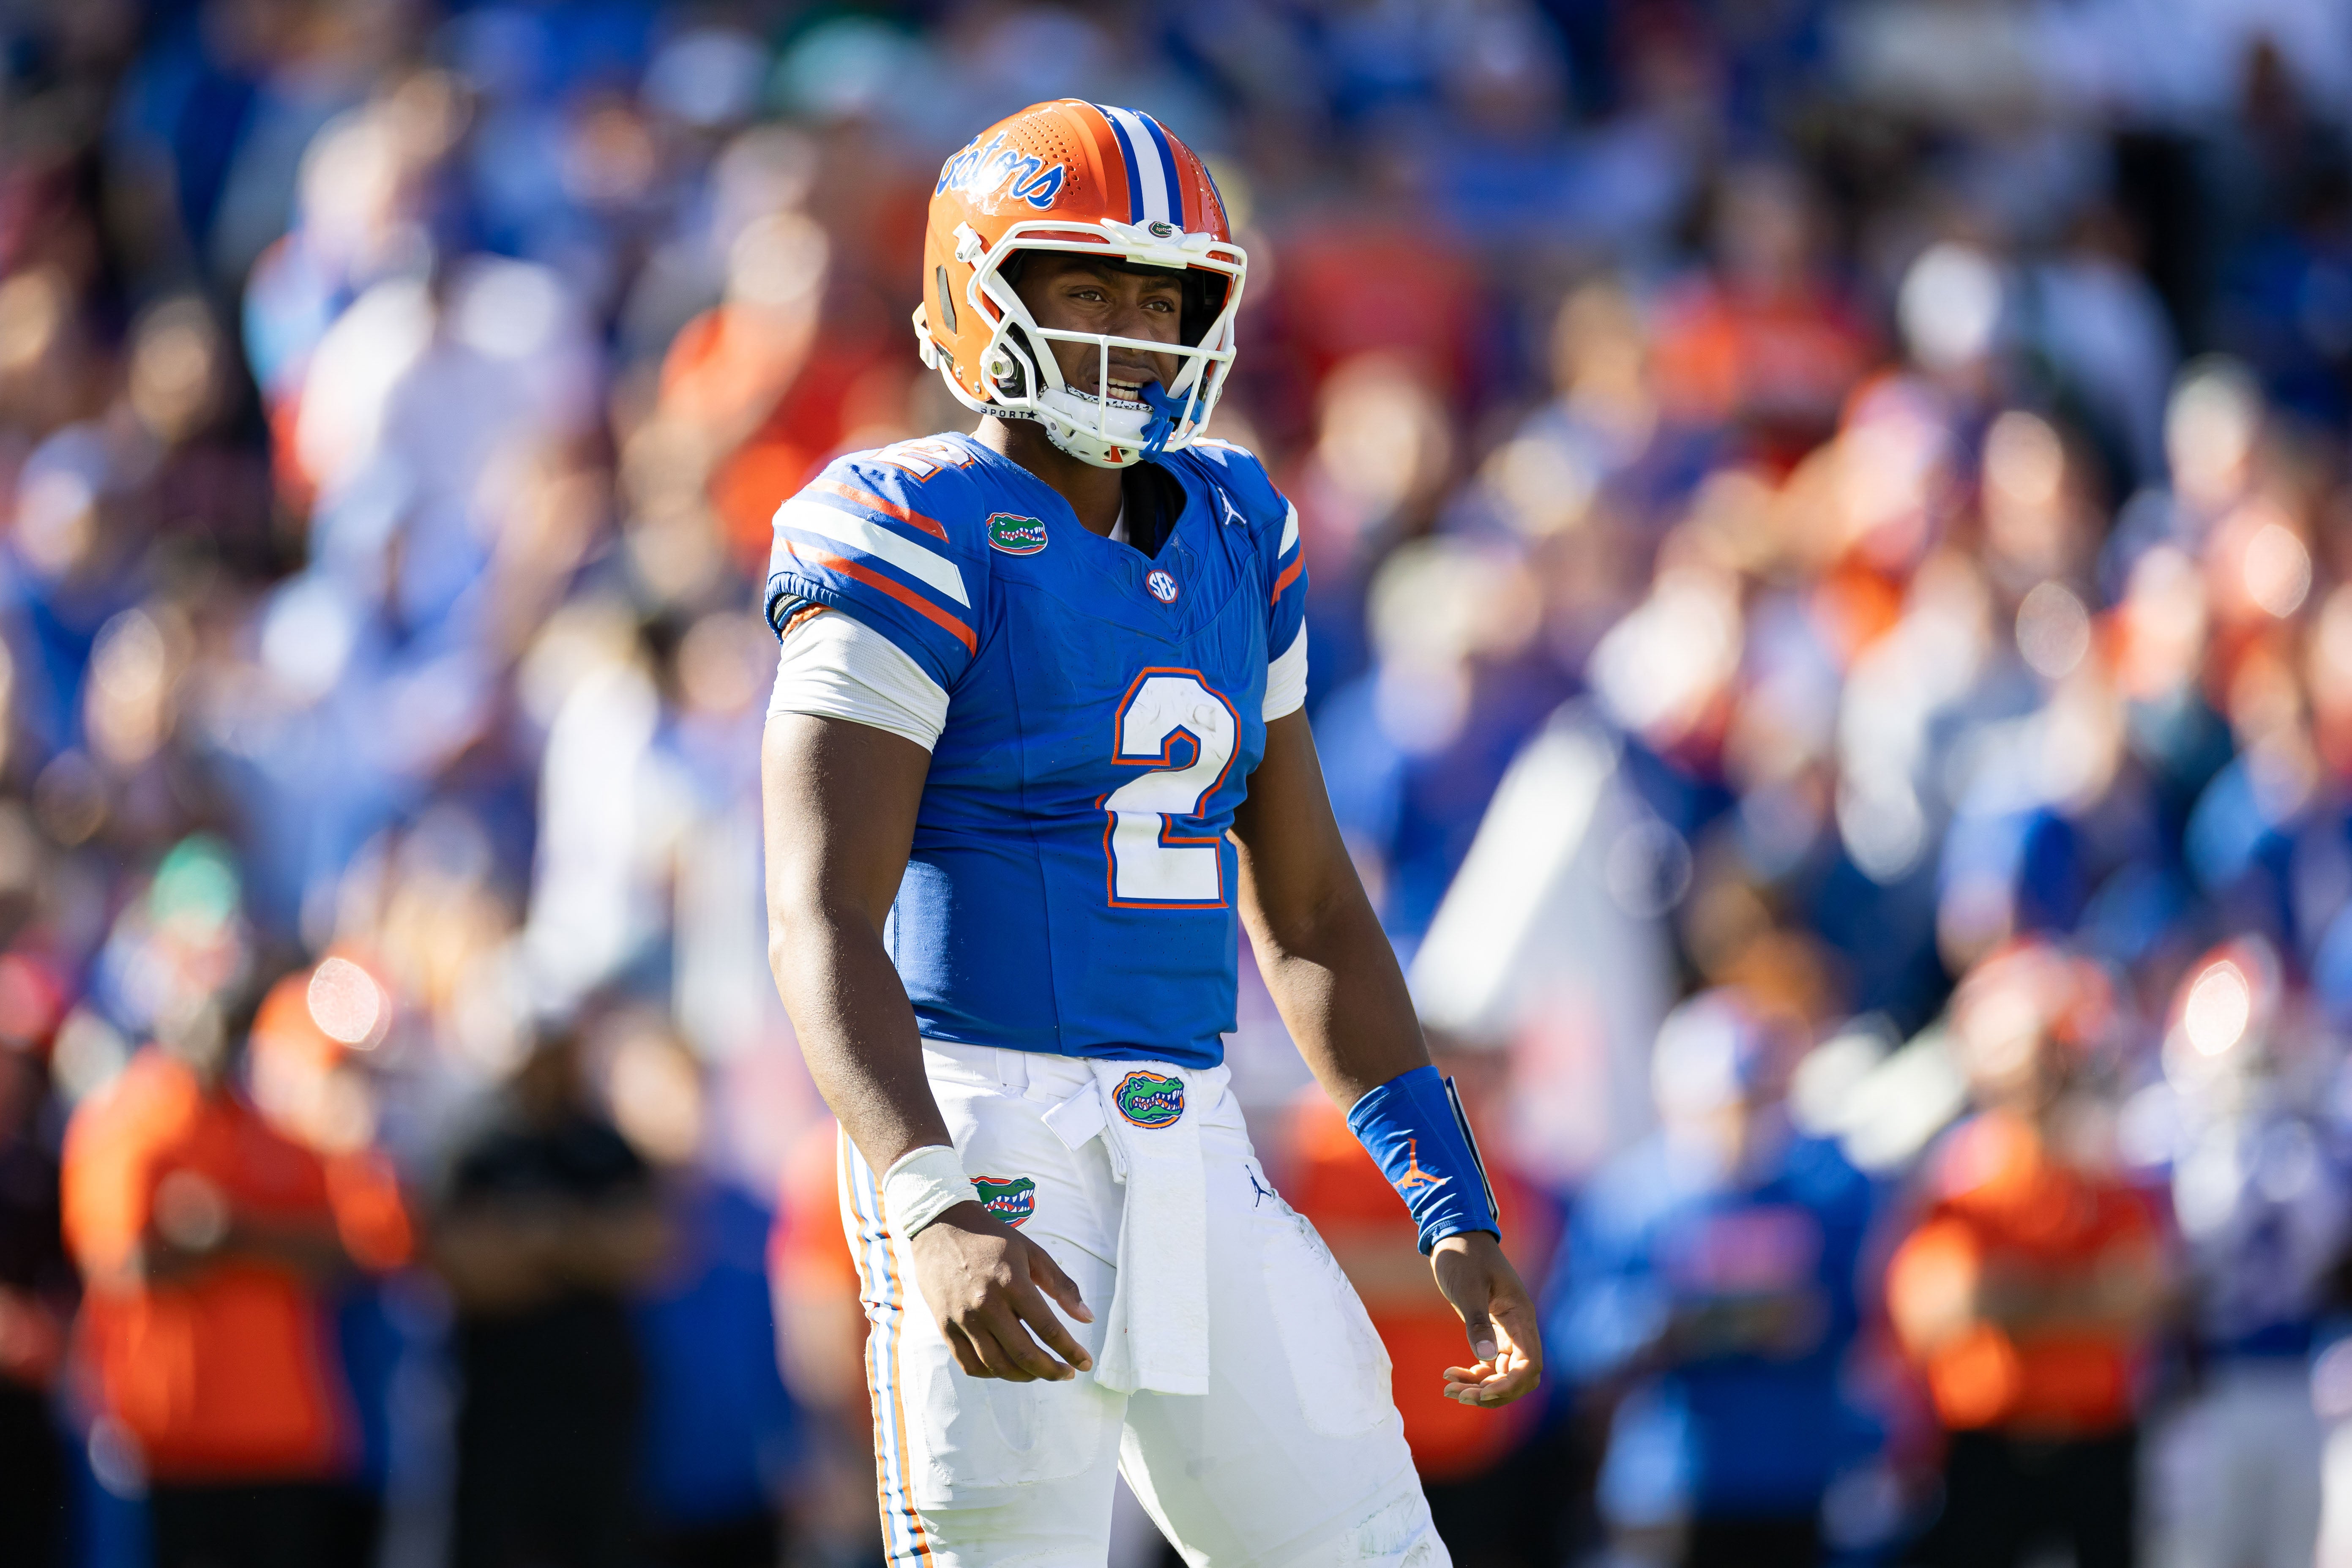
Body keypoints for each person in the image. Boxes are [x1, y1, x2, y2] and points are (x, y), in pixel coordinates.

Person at [760, 100, 1541, 1568]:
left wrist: (1446, 1192)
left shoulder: (1239, 521)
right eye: (1086, 287)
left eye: (1157, 295)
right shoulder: (898, 522)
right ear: (981, 296)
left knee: (1369, 1548)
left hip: (1195, 1131)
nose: (1129, 328)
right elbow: (817, 916)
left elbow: (1305, 909)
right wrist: (928, 1201)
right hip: (988, 1119)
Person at [60, 976, 411, 1568]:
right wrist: (257, 1244)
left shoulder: (279, 1131)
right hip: (171, 1436)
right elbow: (127, 1263)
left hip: (285, 1437)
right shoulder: (129, 1124)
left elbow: (347, 1252)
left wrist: (229, 1232)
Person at [1550, 989, 1878, 1568]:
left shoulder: (1828, 1188)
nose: (1738, 1121)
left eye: (1755, 1099)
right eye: (1720, 1104)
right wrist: (1656, 1325)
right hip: (1667, 1474)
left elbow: (1866, 1313)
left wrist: (1810, 1320)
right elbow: (1571, 1334)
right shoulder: (1630, 1198)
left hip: (1795, 1470)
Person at [1886, 940, 2165, 1568]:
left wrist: (2015, 1300)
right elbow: (1936, 1310)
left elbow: (2134, 1300)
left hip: (2096, 1438)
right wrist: (2071, 1297)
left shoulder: (2104, 1172)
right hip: (1988, 1444)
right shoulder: (1957, 1176)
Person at [432, 1019, 670, 1568]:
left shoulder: (607, 1145)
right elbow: (463, 1269)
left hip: (597, 1409)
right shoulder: (477, 1146)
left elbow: (651, 1248)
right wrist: (586, 1246)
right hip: (501, 1410)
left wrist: (542, 1235)